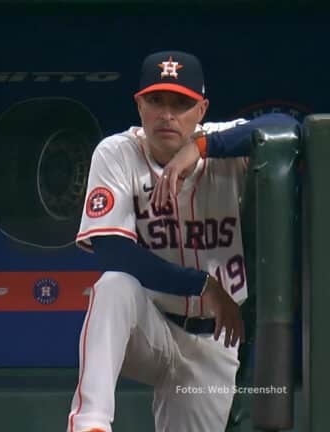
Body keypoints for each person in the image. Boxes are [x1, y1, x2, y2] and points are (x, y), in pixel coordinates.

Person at [67, 50, 297, 432]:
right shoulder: (117, 151)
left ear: (201, 109)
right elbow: (112, 250)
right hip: (151, 327)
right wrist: (202, 285)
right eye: (156, 100)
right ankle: (91, 423)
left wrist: (200, 148)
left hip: (213, 342)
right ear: (139, 105)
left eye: (181, 103)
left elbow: (288, 125)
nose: (167, 114)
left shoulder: (223, 143)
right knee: (113, 286)